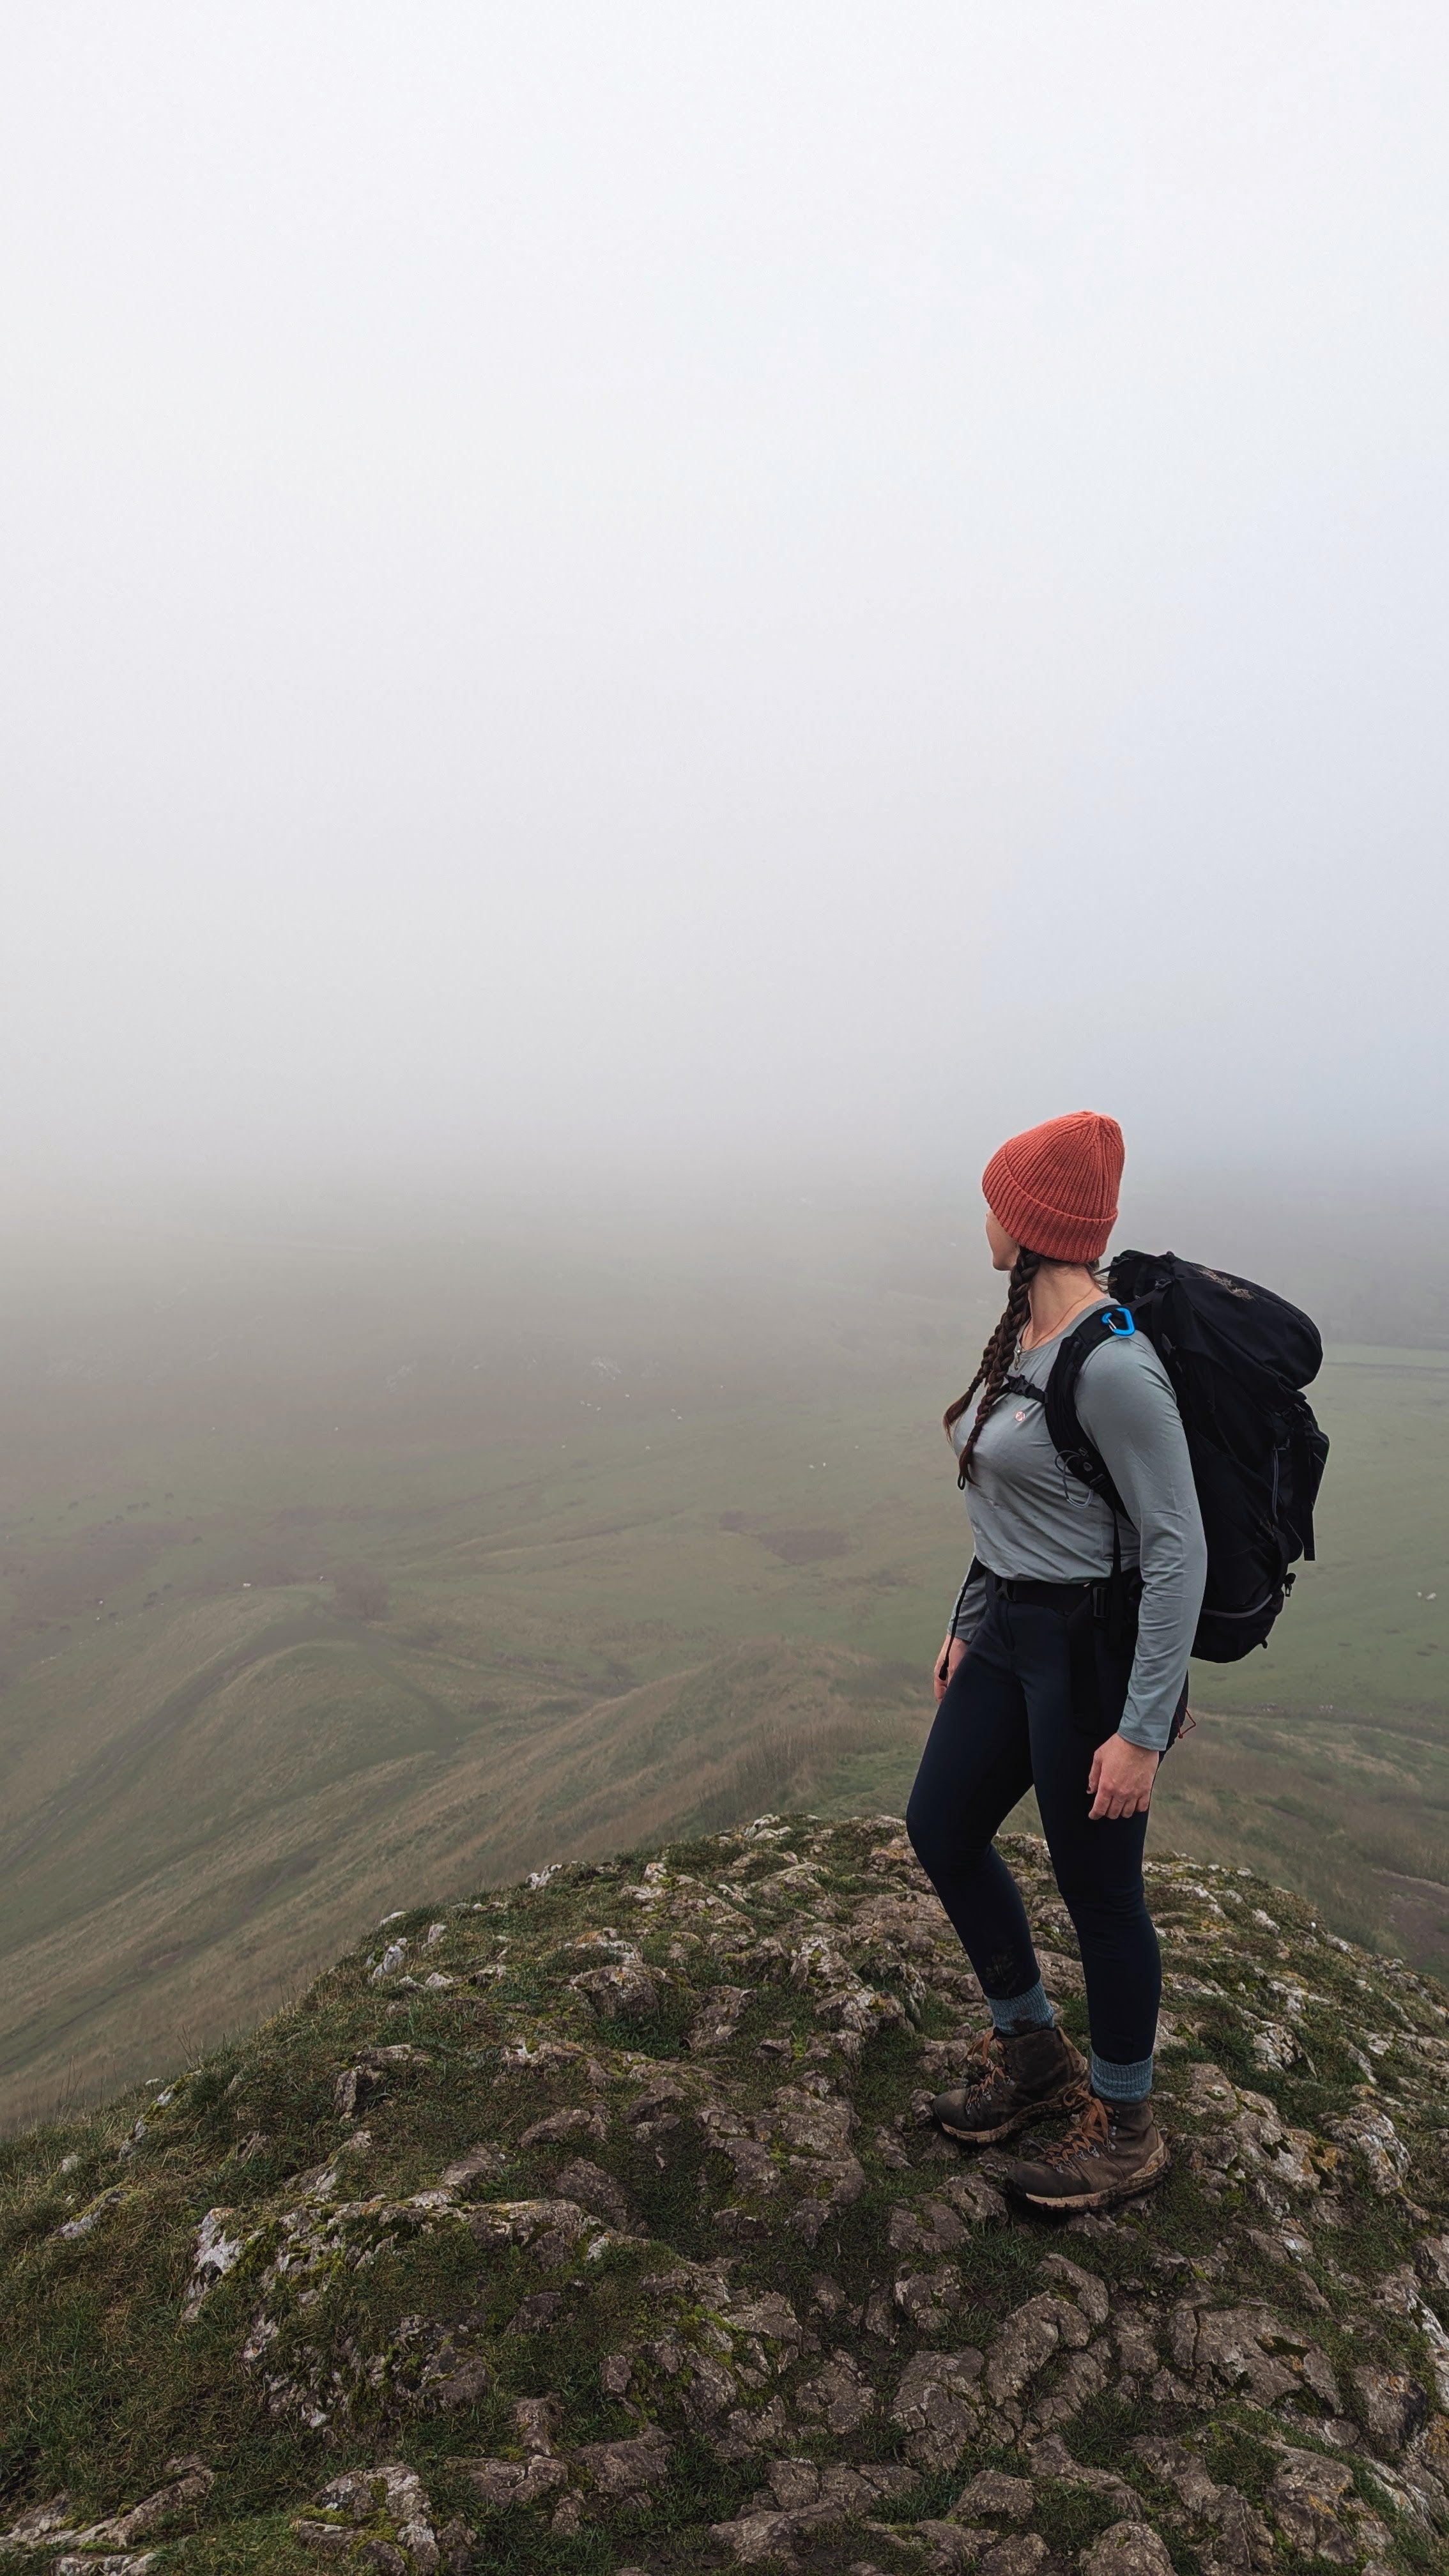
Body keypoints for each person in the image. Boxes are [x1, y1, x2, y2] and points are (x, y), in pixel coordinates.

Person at [905, 1110, 1207, 2210]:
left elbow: (1178, 1547)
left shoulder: (1114, 1363)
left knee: (1098, 1891)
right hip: (1010, 1632)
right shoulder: (1025, 1341)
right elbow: (1006, 1505)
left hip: (1087, 1653)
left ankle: (1125, 2124)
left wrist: (1141, 1728)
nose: (983, 1216)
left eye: (997, 1200)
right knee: (939, 1826)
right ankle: (1033, 2055)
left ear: (1031, 1225)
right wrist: (967, 1612)